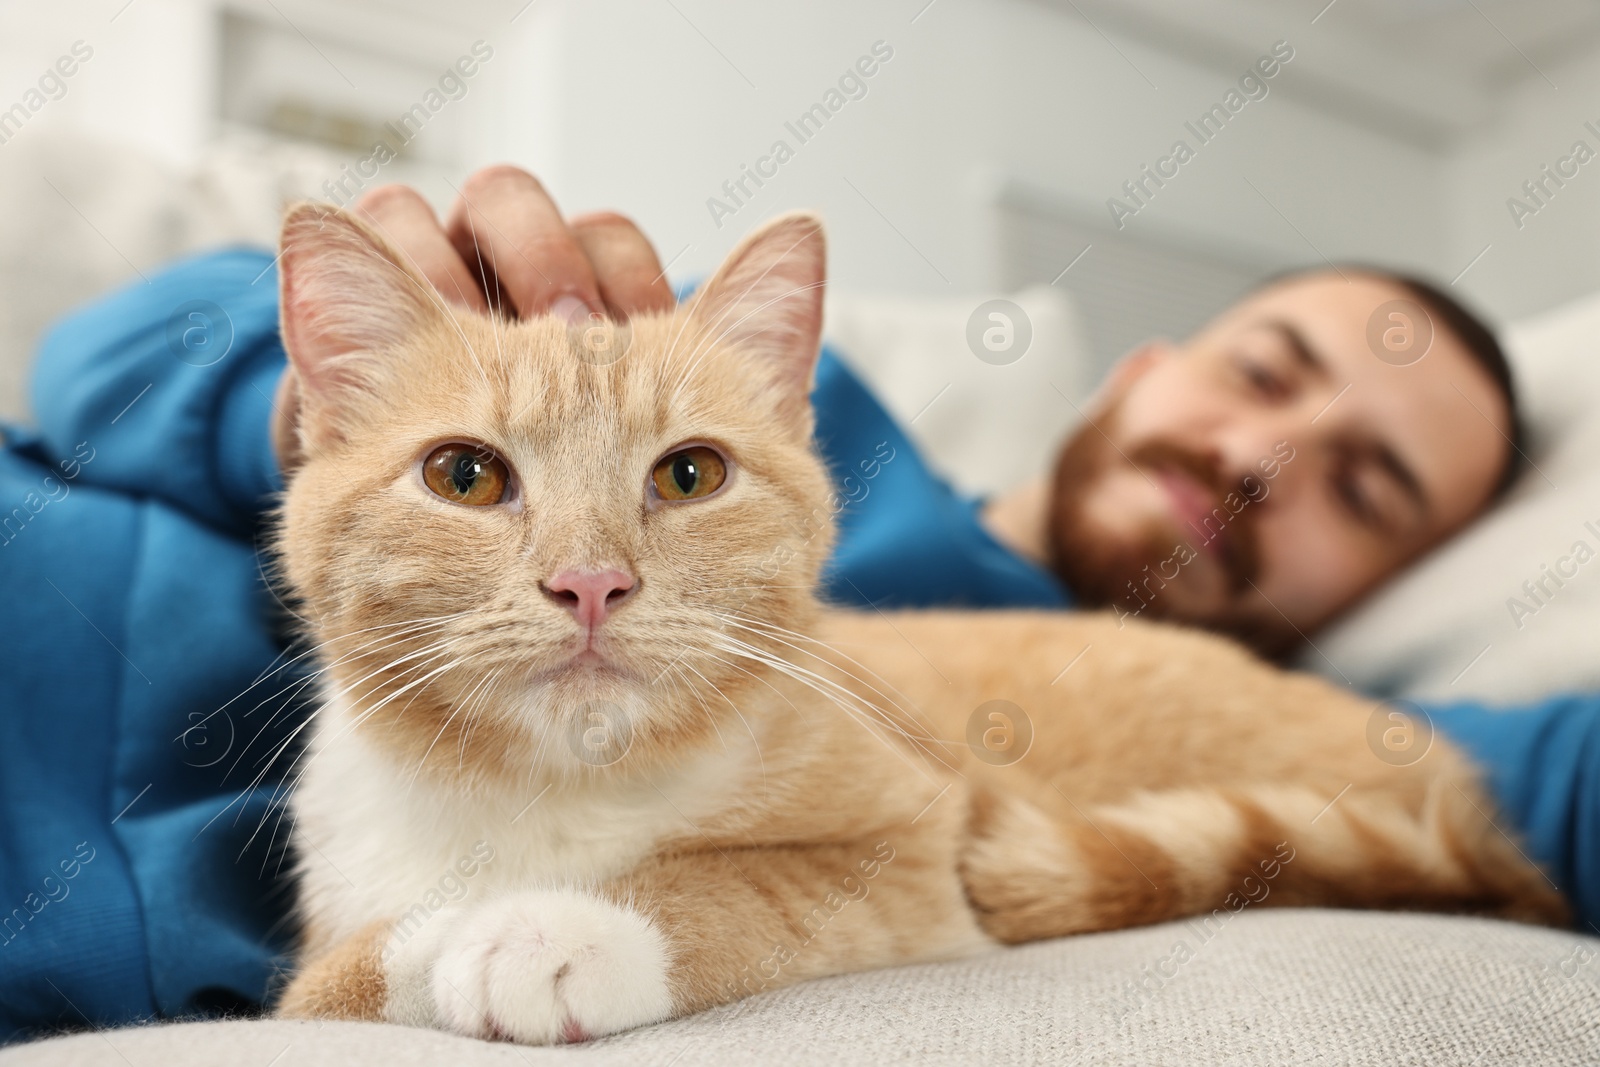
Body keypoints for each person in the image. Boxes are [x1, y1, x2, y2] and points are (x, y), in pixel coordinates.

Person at [0, 166, 1590, 1042]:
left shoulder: (1081, 678)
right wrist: (309, 408)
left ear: (1389, 587)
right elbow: (97, 362)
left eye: (1365, 491)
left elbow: (1500, 799)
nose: (1261, 462)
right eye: (1266, 373)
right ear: (1147, 364)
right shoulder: (662, 358)